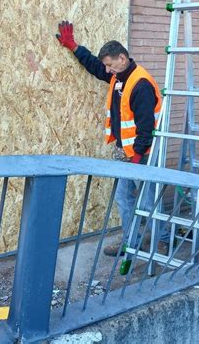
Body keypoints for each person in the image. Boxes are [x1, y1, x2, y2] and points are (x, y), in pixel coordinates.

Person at [56, 20, 169, 256]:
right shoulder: (118, 77)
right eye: (107, 66)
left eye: (110, 64)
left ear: (122, 58)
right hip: (124, 151)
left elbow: (146, 127)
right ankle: (131, 241)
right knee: (124, 198)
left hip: (142, 154)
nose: (107, 70)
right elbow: (95, 67)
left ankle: (164, 239)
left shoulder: (140, 84)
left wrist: (137, 156)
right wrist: (74, 46)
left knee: (148, 201)